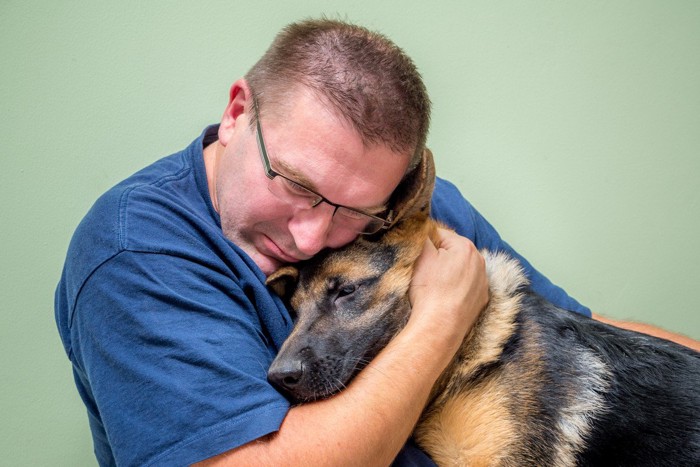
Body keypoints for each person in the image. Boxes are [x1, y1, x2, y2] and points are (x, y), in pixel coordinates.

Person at [55, 18, 697, 467]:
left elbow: (575, 328)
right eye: (295, 183)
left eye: (350, 212)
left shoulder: (400, 206)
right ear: (236, 112)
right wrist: (444, 314)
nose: (311, 235)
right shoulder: (138, 253)